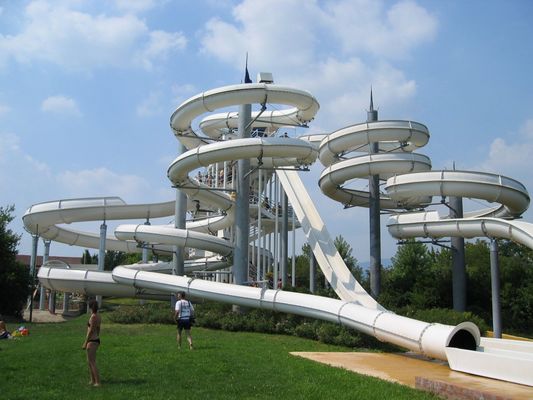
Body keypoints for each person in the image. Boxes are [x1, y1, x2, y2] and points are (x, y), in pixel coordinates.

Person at [82, 300, 101, 387]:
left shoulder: (93, 317)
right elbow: (98, 329)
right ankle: (92, 380)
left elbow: (91, 330)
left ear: (90, 307)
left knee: (92, 362)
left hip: (92, 341)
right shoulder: (98, 316)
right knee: (89, 361)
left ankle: (97, 382)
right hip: (95, 339)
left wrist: (85, 342)